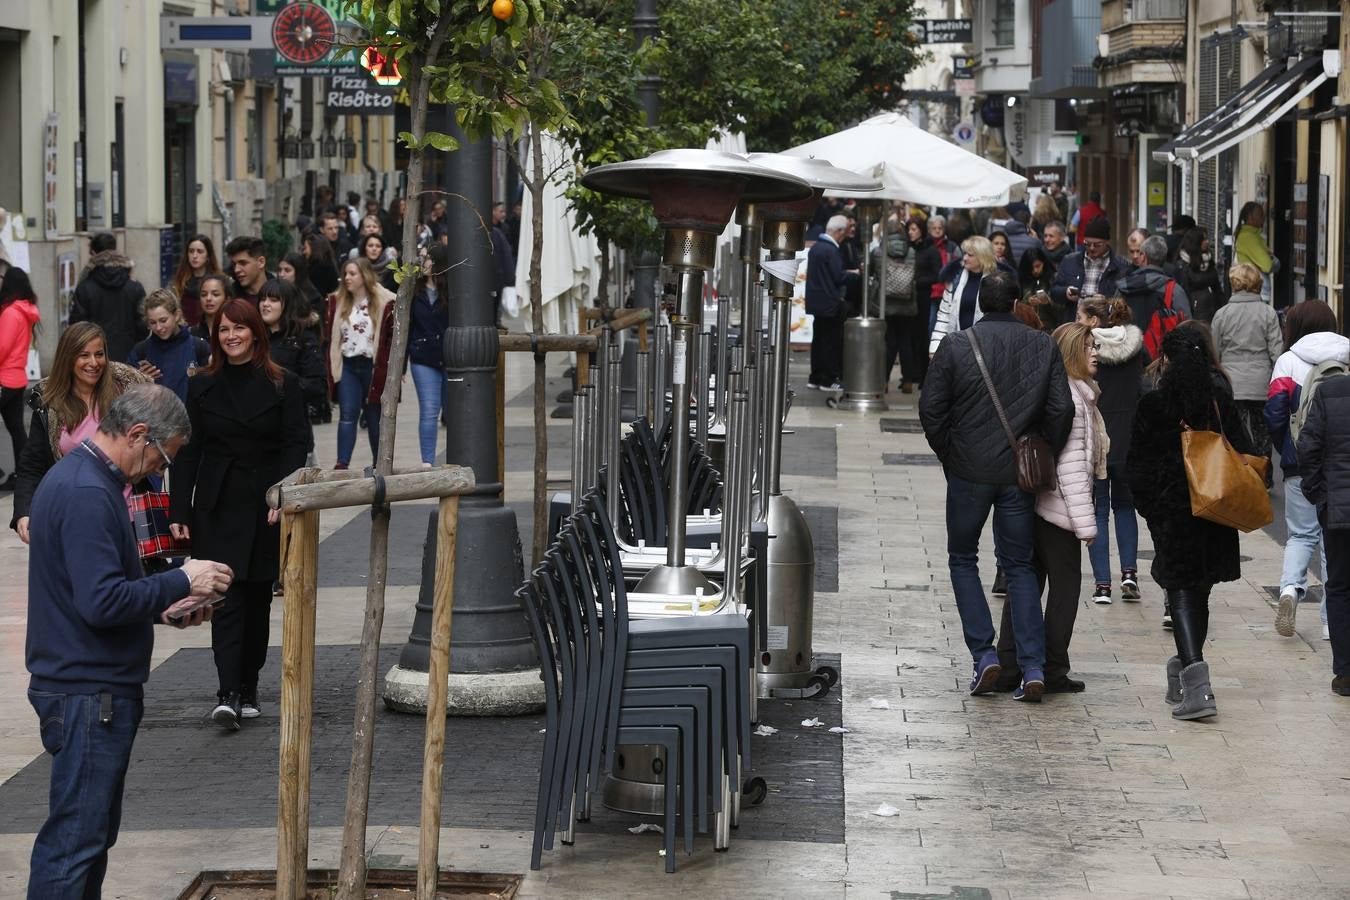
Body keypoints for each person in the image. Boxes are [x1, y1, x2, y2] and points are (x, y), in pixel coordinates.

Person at [25, 383, 233, 899]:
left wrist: (164, 608)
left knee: (86, 839)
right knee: (75, 843)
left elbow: (98, 593)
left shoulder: (84, 481)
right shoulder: (88, 491)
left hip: (86, 686)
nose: (161, 471)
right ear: (138, 434)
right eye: (165, 457)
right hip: (87, 692)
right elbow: (100, 601)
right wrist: (182, 581)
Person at [920, 272, 1074, 702]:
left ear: (982, 303)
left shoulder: (956, 346)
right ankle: (1032, 667)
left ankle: (985, 655)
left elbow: (931, 410)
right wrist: (1039, 449)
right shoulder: (1042, 345)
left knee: (962, 558)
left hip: (969, 470)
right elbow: (1061, 409)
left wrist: (953, 455)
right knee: (1020, 565)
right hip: (1017, 474)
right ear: (1014, 302)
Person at [169, 299, 309, 728]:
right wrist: (180, 508)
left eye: (239, 328)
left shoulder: (284, 383)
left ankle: (248, 687)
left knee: (257, 600)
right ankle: (227, 691)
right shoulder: (201, 385)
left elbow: (295, 444)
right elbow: (187, 451)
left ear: (255, 332)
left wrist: (282, 495)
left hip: (265, 504)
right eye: (223, 330)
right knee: (224, 599)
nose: (231, 336)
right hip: (218, 502)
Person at [1127, 328, 1253, 720]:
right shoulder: (1219, 401)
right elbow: (1246, 448)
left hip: (1172, 511)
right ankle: (1183, 672)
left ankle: (1198, 688)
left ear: (1167, 360)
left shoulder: (1154, 405)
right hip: (1215, 509)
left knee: (1180, 589)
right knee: (1200, 592)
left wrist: (1152, 508)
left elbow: (1137, 466)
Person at [995, 323, 1103, 694]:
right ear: (1072, 353)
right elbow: (1072, 468)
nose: (1096, 353)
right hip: (1058, 512)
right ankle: (1053, 666)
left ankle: (1009, 663)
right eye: (1088, 347)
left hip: (1036, 504)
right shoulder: (1073, 400)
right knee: (1065, 588)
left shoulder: (1059, 393)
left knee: (1026, 585)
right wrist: (1086, 526)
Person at [11, 322, 150, 543]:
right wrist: (24, 512)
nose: (93, 363)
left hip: (126, 519)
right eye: (84, 355)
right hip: (72, 520)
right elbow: (32, 465)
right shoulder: (49, 404)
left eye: (99, 354)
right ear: (68, 358)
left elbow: (159, 441)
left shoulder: (125, 395)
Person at [1266, 299, 1345, 640]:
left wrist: (1283, 444)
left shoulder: (1288, 360)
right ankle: (1332, 622)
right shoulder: (1346, 354)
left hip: (1299, 458)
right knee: (1333, 542)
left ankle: (1288, 591)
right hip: (1341, 466)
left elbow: (1274, 412)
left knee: (1301, 534)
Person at [1077, 294, 1146, 604]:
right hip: (1130, 436)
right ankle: (1130, 574)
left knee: (1099, 510)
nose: (1076, 321)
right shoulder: (1135, 346)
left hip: (1098, 436)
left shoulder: (1086, 349)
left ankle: (1102, 585)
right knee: (1125, 506)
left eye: (1080, 316)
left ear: (1093, 320)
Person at [1295, 365, 1350, 695]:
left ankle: (1345, 672)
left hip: (1338, 508)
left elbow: (1308, 445)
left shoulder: (1330, 391)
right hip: (1335, 502)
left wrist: (1319, 493)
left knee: (1341, 586)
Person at [1210, 263, 1282, 469]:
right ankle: (1264, 474)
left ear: (1234, 284)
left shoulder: (1222, 314)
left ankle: (1240, 473)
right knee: (1262, 432)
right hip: (1261, 383)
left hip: (1232, 383)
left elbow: (1215, 352)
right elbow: (1276, 352)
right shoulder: (1268, 313)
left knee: (1236, 431)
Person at [326, 258, 395, 469]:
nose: (347, 278)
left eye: (352, 274)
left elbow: (391, 336)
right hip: (348, 366)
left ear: (364, 276)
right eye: (345, 273)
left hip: (372, 367)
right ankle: (341, 464)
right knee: (347, 414)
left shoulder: (383, 301)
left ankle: (378, 464)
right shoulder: (338, 301)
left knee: (374, 416)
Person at [69, 233, 148, 364]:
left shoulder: (84, 288)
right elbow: (143, 325)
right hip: (128, 355)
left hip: (94, 358)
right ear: (115, 250)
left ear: (93, 253)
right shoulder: (135, 287)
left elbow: (76, 326)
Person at [258, 279, 326, 421]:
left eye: (273, 300)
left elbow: (316, 386)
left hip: (291, 424)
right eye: (263, 299)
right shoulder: (253, 337)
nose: (265, 304)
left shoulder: (304, 339)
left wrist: (277, 383)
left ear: (288, 304)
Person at [127, 289, 211, 403]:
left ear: (176, 315)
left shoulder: (199, 347)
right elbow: (127, 394)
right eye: (152, 322)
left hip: (190, 418)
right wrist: (140, 380)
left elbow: (211, 389)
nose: (158, 327)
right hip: (154, 418)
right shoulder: (141, 351)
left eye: (163, 320)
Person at [410, 245, 450, 467]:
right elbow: (406, 327)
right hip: (423, 358)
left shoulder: (453, 291)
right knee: (429, 410)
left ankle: (457, 459)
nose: (422, 262)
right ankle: (427, 462)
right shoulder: (414, 291)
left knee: (452, 411)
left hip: (450, 357)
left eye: (426, 258)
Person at [805, 214, 855, 390]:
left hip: (816, 303)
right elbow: (838, 276)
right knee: (831, 343)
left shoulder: (816, 248)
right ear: (839, 231)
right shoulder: (831, 250)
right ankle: (828, 379)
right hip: (830, 303)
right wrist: (854, 274)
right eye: (845, 231)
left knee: (818, 341)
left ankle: (815, 377)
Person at [0, 267, 39, 490]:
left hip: (4, 379)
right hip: (16, 379)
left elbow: (2, 347)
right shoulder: (24, 311)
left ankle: (21, 475)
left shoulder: (11, 313)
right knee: (16, 428)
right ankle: (24, 476)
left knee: (16, 429)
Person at [875, 218, 925, 393]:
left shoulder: (879, 251)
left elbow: (874, 273)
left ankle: (883, 381)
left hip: (886, 304)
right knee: (905, 342)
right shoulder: (911, 251)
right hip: (907, 303)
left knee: (888, 342)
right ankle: (908, 382)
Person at [929, 235, 1000, 355]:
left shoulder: (996, 282)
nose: (965, 258)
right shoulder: (955, 280)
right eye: (965, 253)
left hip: (986, 350)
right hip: (957, 348)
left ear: (983, 257)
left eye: (970, 255)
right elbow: (944, 316)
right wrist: (935, 347)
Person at [1050, 217, 1128, 325]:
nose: (1091, 248)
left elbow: (1124, 304)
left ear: (1107, 242)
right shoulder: (1070, 261)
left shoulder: (1121, 266)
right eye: (1087, 243)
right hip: (1074, 326)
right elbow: (1054, 291)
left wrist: (1106, 302)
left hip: (1104, 329)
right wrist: (1065, 292)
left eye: (1097, 245)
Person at [1116, 235, 1192, 333]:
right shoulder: (1174, 290)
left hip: (1129, 346)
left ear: (1143, 256)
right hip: (1162, 347)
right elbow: (1187, 327)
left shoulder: (1124, 286)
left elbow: (1113, 321)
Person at [916, 215, 959, 336]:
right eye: (934, 228)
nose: (937, 230)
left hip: (948, 290)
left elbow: (959, 265)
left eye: (940, 227)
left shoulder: (952, 246)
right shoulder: (924, 246)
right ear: (929, 229)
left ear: (944, 229)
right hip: (930, 291)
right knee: (931, 324)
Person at [169, 234, 223, 327]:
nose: (194, 255)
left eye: (200, 251)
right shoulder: (178, 283)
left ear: (208, 256)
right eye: (191, 251)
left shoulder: (220, 282)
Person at [1175, 228, 1225, 322]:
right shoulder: (1183, 265)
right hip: (1195, 313)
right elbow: (1183, 292)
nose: (1207, 242)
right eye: (1204, 239)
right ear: (1195, 242)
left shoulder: (1208, 260)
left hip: (1213, 311)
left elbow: (1217, 288)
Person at [1234, 202, 1277, 304]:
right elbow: (1268, 265)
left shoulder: (1255, 236)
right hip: (1254, 292)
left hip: (1257, 291)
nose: (1264, 218)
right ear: (1250, 217)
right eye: (1260, 214)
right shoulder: (1248, 237)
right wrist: (1273, 259)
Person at [279, 251, 325, 322]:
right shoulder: (276, 292)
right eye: (279, 270)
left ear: (298, 272)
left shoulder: (314, 298)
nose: (281, 274)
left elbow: (315, 323)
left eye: (287, 270)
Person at [225, 235, 272, 305]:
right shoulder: (228, 297)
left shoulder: (283, 294)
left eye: (243, 263)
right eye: (234, 264)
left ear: (261, 262)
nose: (236, 270)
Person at [190, 273, 231, 344]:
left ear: (227, 299)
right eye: (204, 295)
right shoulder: (192, 333)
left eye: (215, 294)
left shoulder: (234, 331)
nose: (208, 298)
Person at [303, 231, 340, 297]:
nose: (304, 252)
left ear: (314, 248)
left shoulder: (318, 269)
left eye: (305, 248)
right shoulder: (328, 264)